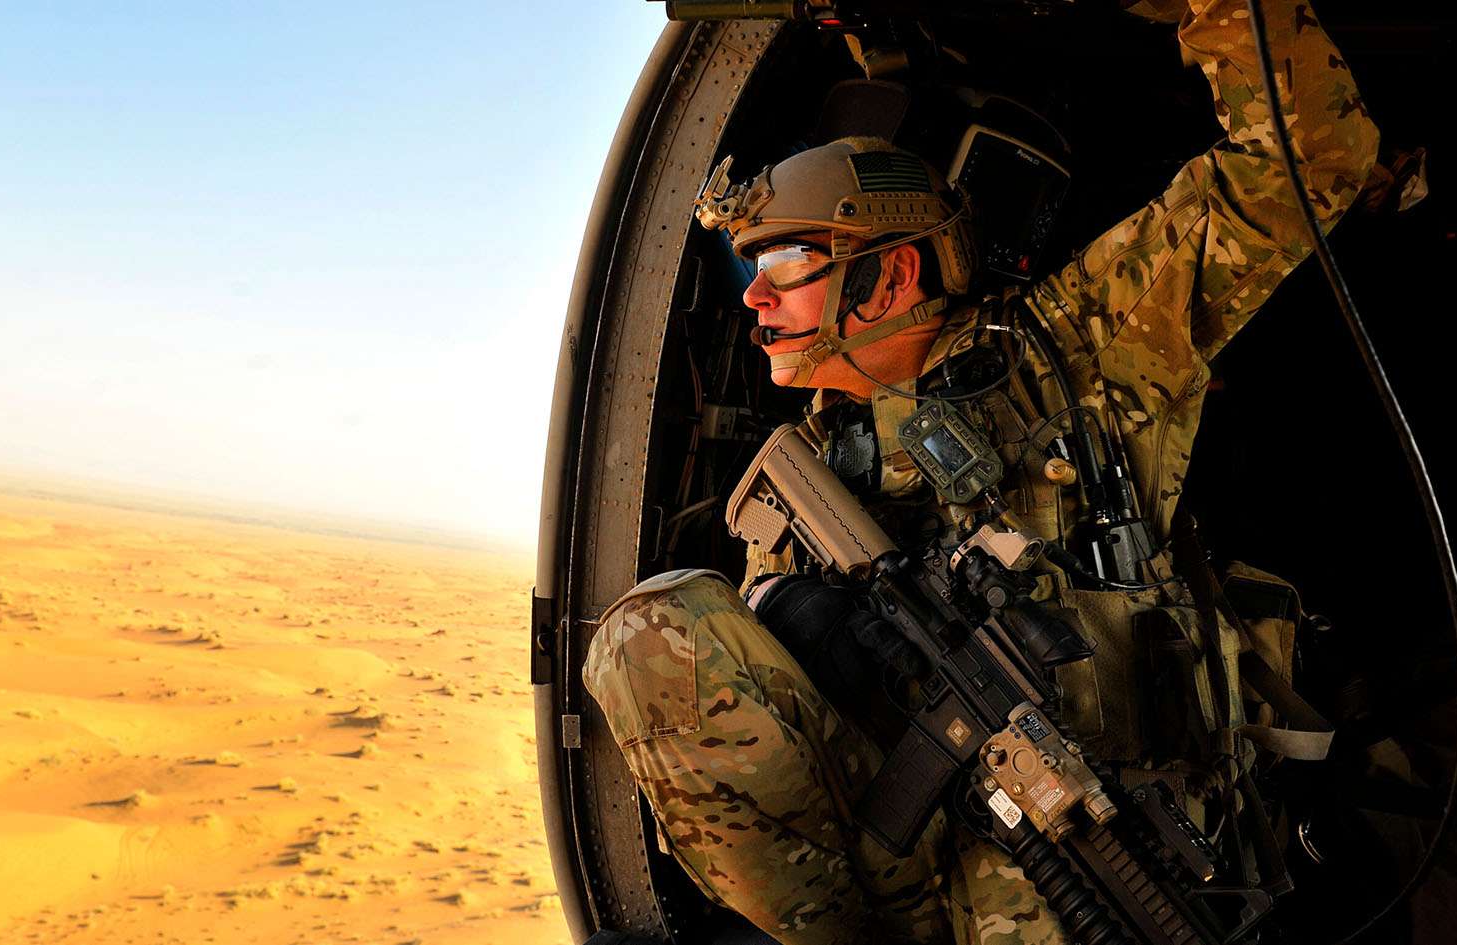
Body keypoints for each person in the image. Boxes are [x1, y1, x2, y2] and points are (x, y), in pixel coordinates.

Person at [582, 0, 1380, 942]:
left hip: (1094, 862)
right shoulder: (810, 466)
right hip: (909, 881)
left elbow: (1310, 156)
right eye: (749, 265)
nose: (754, 296)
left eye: (788, 259)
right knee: (649, 633)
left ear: (896, 274)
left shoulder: (1075, 348)